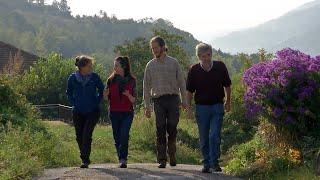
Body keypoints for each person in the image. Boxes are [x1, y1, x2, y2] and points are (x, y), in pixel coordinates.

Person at [143, 36, 188, 168]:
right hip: (158, 100)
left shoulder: (174, 62)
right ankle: (162, 159)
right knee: (160, 128)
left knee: (172, 127)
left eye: (156, 47)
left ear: (163, 47)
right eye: (152, 48)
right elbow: (146, 86)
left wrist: (184, 101)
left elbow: (181, 82)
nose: (154, 50)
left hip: (173, 99)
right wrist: (147, 106)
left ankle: (172, 154)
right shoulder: (150, 65)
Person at [186, 43, 231, 173]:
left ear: (211, 54)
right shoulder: (194, 70)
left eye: (208, 55)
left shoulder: (220, 66)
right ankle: (206, 163)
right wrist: (189, 108)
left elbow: (227, 85)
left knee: (214, 135)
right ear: (198, 56)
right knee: (204, 137)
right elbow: (189, 91)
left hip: (217, 106)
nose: (206, 58)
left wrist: (228, 101)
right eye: (203, 56)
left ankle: (214, 162)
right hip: (201, 108)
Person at [66, 55, 104, 168]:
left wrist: (96, 101)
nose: (91, 67)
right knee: (79, 136)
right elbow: (68, 92)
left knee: (87, 134)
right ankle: (84, 156)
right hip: (78, 111)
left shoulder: (95, 77)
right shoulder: (72, 78)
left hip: (93, 111)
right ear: (82, 67)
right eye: (89, 66)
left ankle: (85, 160)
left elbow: (102, 90)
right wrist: (74, 103)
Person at [104, 56, 136, 168]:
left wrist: (128, 95)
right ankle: (120, 157)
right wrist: (105, 94)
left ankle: (123, 159)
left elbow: (134, 100)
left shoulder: (132, 81)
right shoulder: (110, 80)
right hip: (114, 112)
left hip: (127, 113)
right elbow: (105, 97)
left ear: (123, 66)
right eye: (114, 65)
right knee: (117, 137)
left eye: (116, 65)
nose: (114, 67)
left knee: (124, 135)